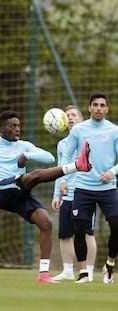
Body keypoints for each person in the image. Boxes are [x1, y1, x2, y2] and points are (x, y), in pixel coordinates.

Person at [0, 110, 92, 284]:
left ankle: (43, 275)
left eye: (19, 126)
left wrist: (27, 155)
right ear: (3, 128)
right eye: (13, 126)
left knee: (46, 223)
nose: (17, 129)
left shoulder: (24, 145)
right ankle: (78, 165)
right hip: (1, 190)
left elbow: (49, 157)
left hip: (20, 191)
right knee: (34, 175)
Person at [62, 91, 118, 284]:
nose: (98, 108)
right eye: (95, 105)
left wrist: (112, 172)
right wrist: (62, 181)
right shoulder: (79, 130)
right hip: (83, 188)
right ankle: (84, 273)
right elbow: (67, 156)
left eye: (102, 105)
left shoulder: (113, 130)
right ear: (89, 107)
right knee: (79, 229)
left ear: (107, 109)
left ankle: (110, 264)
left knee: (116, 226)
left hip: (108, 188)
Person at [51, 105, 97, 281]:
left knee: (87, 233)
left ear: (81, 119)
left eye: (73, 115)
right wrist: (56, 195)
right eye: (67, 115)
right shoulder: (62, 144)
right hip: (67, 195)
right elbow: (59, 170)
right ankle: (68, 270)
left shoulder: (89, 140)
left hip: (85, 193)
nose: (70, 118)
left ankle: (89, 270)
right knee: (64, 234)